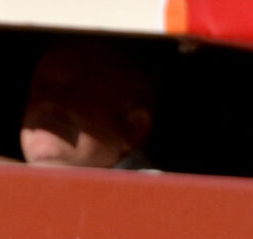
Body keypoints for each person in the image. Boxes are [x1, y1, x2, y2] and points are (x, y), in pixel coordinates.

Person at [18, 38, 155, 169]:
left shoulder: (155, 191)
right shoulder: (7, 189)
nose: (48, 103)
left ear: (133, 128)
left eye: (74, 92)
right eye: (41, 89)